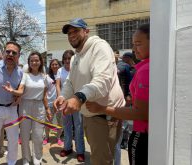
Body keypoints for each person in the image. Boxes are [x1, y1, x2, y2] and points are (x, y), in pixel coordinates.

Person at [54, 18, 125, 165]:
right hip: (90, 115)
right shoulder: (75, 57)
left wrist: (78, 97)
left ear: (86, 31)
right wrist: (63, 96)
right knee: (101, 158)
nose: (71, 35)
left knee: (101, 161)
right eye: (69, 33)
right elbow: (70, 82)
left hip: (104, 116)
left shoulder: (100, 47)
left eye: (75, 31)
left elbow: (102, 81)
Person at [86, 23, 150, 165]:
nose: (134, 49)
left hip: (142, 133)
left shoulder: (145, 70)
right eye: (133, 44)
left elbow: (141, 113)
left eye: (138, 44)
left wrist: (102, 108)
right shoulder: (147, 67)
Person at [2, 51, 51, 165]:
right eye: (32, 60)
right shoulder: (25, 75)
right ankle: (26, 159)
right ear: (29, 62)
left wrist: (47, 109)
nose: (34, 62)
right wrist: (13, 91)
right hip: (25, 106)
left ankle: (37, 159)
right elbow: (21, 90)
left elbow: (44, 95)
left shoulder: (44, 77)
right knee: (24, 135)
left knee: (38, 136)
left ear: (40, 62)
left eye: (36, 60)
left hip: (39, 107)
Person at [56, 50, 85, 162]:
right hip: (64, 102)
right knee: (67, 126)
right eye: (65, 58)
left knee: (78, 127)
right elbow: (58, 85)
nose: (67, 60)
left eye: (70, 58)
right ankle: (67, 148)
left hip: (77, 102)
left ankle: (80, 151)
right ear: (63, 60)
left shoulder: (78, 69)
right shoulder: (60, 70)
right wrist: (60, 98)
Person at [43, 59, 63, 146]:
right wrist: (46, 104)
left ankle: (58, 138)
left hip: (60, 103)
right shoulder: (47, 77)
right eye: (53, 64)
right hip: (50, 103)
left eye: (56, 64)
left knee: (60, 122)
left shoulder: (62, 76)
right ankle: (46, 137)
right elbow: (45, 92)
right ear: (50, 66)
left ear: (59, 65)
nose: (54, 66)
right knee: (48, 122)